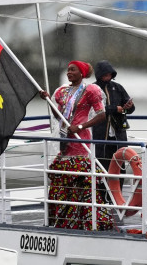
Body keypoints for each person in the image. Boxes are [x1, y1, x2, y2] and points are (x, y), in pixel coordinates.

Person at [43, 60, 113, 230]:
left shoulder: (91, 91)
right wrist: (48, 100)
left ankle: (85, 219)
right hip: (65, 142)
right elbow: (59, 115)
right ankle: (64, 219)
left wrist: (80, 126)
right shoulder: (62, 91)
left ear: (82, 73)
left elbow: (101, 114)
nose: (69, 73)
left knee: (81, 184)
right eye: (68, 70)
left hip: (81, 141)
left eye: (73, 70)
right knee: (63, 182)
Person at [92, 60, 135, 200]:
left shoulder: (118, 87)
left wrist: (129, 106)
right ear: (99, 74)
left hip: (118, 134)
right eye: (105, 73)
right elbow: (94, 110)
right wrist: (113, 109)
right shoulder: (92, 89)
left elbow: (131, 109)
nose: (108, 76)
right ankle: (101, 198)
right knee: (102, 166)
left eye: (110, 73)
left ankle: (117, 197)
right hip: (101, 135)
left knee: (119, 166)